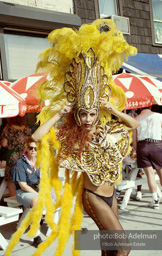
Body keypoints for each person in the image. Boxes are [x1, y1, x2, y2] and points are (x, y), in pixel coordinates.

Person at [5, 19, 138, 256]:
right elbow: (35, 136)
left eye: (91, 114)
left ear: (98, 113)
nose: (87, 119)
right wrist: (58, 114)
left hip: (112, 195)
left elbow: (133, 124)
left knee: (108, 247)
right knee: (124, 248)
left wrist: (114, 110)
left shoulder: (107, 130)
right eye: (83, 114)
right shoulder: (71, 138)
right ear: (77, 115)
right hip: (94, 196)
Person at [135, 106, 162, 209]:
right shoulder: (159, 116)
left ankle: (155, 200)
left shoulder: (136, 118)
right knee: (161, 172)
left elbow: (134, 138)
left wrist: (136, 150)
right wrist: (158, 134)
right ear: (150, 105)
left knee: (150, 174)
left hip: (142, 146)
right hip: (156, 145)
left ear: (139, 107)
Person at [13, 137, 42, 247]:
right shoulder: (21, 163)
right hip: (23, 192)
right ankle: (36, 235)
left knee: (62, 194)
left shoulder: (39, 162)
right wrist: (39, 195)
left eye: (35, 148)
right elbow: (23, 186)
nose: (33, 150)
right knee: (37, 201)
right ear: (26, 148)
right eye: (31, 148)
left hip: (36, 190)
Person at [1, 115, 31, 196]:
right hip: (24, 157)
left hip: (13, 157)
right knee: (24, 180)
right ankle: (25, 203)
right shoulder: (27, 129)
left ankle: (14, 203)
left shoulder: (8, 128)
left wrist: (11, 145)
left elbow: (4, 143)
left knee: (11, 180)